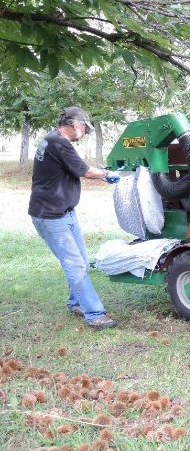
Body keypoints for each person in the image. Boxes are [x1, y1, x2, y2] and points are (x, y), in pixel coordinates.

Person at [28, 107, 120, 330]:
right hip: (51, 217)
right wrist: (108, 173)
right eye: (85, 129)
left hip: (65, 213)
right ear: (76, 124)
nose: (85, 133)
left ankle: (75, 303)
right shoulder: (59, 143)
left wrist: (101, 176)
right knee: (76, 265)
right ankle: (95, 314)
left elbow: (73, 170)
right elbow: (86, 171)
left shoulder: (52, 139)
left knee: (80, 261)